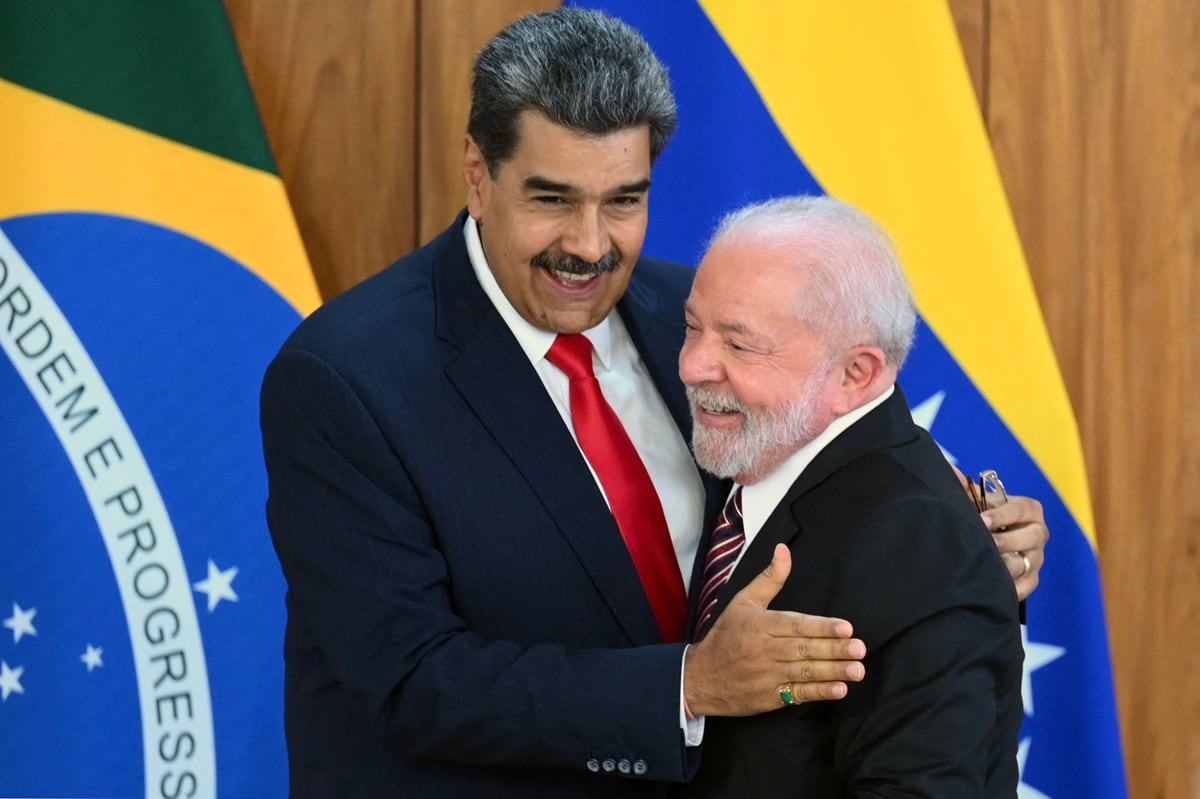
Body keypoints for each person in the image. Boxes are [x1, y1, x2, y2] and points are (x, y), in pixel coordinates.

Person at [259, 8, 1044, 797]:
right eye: (552, 200)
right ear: (477, 172)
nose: (589, 245)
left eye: (623, 201)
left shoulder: (695, 317)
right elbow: (410, 680)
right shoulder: (345, 378)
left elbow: (843, 464)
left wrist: (960, 537)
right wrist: (687, 686)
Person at [675, 195, 1023, 797]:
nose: (692, 365)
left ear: (855, 374)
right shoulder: (756, 449)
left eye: (740, 346)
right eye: (691, 328)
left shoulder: (917, 541)